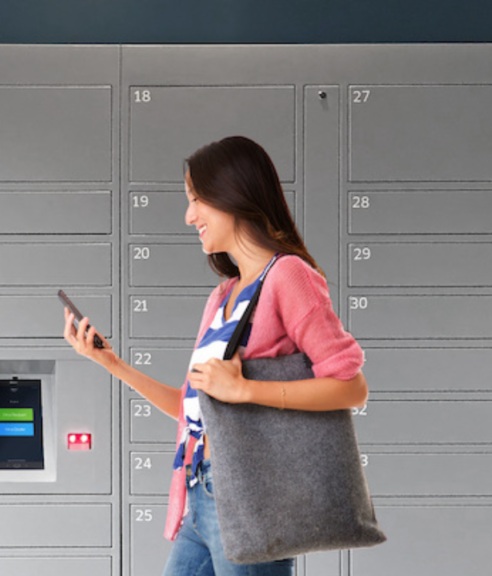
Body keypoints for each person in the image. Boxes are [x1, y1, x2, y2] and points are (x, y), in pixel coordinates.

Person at [62, 136, 369, 576]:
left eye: (197, 200)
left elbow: (350, 387)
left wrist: (245, 389)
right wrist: (111, 363)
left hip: (251, 501)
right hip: (202, 498)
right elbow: (194, 405)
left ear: (233, 194)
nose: (190, 217)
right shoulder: (222, 296)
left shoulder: (289, 276)